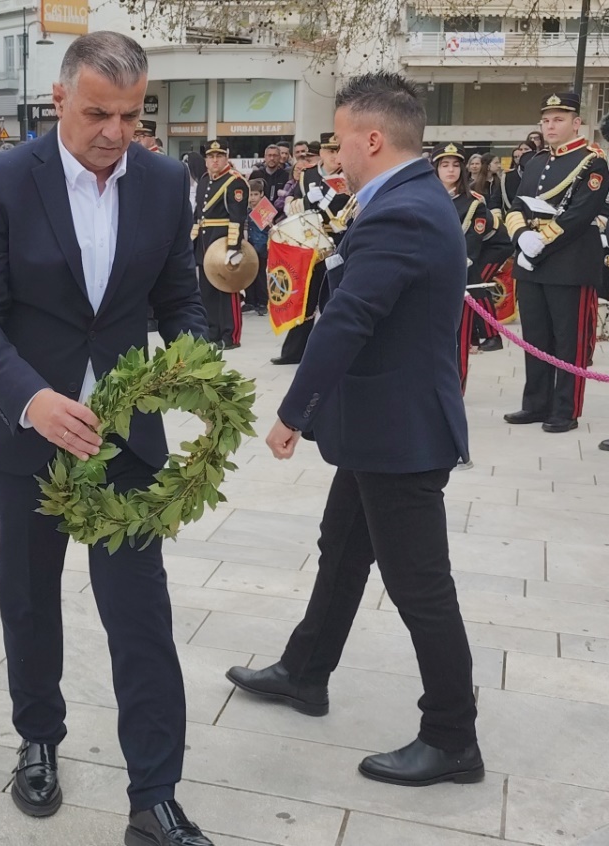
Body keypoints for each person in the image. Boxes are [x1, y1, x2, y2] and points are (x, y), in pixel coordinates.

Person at [0, 31, 215, 846]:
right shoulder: (1, 179)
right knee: (30, 595)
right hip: (25, 434)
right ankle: (38, 739)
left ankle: (155, 796)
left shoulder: (164, 183)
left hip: (126, 440)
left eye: (132, 116)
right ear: (60, 97)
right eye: (99, 113)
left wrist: (192, 362)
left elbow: (179, 300)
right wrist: (32, 400)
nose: (116, 132)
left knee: (141, 614)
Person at [226, 71, 482, 789]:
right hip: (380, 425)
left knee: (419, 586)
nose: (334, 155)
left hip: (401, 433)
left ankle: (452, 737)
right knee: (341, 549)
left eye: (340, 141)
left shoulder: (403, 211)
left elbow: (349, 318)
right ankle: (306, 671)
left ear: (372, 139)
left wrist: (292, 411)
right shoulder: (406, 199)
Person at [505, 92, 609, 433]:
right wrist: (522, 237)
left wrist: (540, 242)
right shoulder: (535, 162)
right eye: (546, 120)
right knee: (536, 338)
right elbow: (516, 205)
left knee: (569, 342)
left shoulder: (592, 162)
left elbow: (580, 214)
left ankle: (565, 409)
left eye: (559, 120)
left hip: (569, 264)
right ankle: (536, 403)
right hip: (531, 263)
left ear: (576, 123)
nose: (550, 126)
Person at [271, 132, 352, 365]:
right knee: (305, 296)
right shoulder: (308, 175)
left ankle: (331, 352)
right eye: (331, 151)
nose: (336, 157)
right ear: (322, 153)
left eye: (339, 151)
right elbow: (291, 204)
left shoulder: (350, 175)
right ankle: (294, 351)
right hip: (310, 242)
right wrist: (305, 201)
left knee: (333, 298)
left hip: (338, 241)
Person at [432, 142, 494, 391]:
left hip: (459, 279)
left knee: (458, 339)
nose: (451, 170)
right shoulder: (425, 197)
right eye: (445, 165)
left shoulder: (474, 203)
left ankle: (455, 389)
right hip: (426, 279)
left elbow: (471, 244)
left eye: (456, 165)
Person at [192, 139, 249, 350]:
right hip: (205, 242)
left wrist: (234, 248)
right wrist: (192, 241)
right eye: (210, 156)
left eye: (219, 156)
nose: (214, 160)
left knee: (227, 290)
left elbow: (237, 218)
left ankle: (230, 335)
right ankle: (212, 332)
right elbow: (199, 215)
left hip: (223, 240)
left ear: (227, 157)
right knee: (207, 291)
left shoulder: (235, 182)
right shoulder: (204, 180)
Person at [244, 178, 269, 316]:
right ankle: (250, 300)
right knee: (248, 273)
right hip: (248, 245)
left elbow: (270, 228)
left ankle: (262, 302)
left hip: (261, 246)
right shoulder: (245, 210)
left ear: (261, 194)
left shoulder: (265, 210)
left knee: (260, 274)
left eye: (255, 194)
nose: (252, 198)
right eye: (250, 194)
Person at [501, 141, 537, 213]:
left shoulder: (541, 172)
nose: (523, 152)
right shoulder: (508, 175)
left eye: (526, 149)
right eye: (520, 149)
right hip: (515, 214)